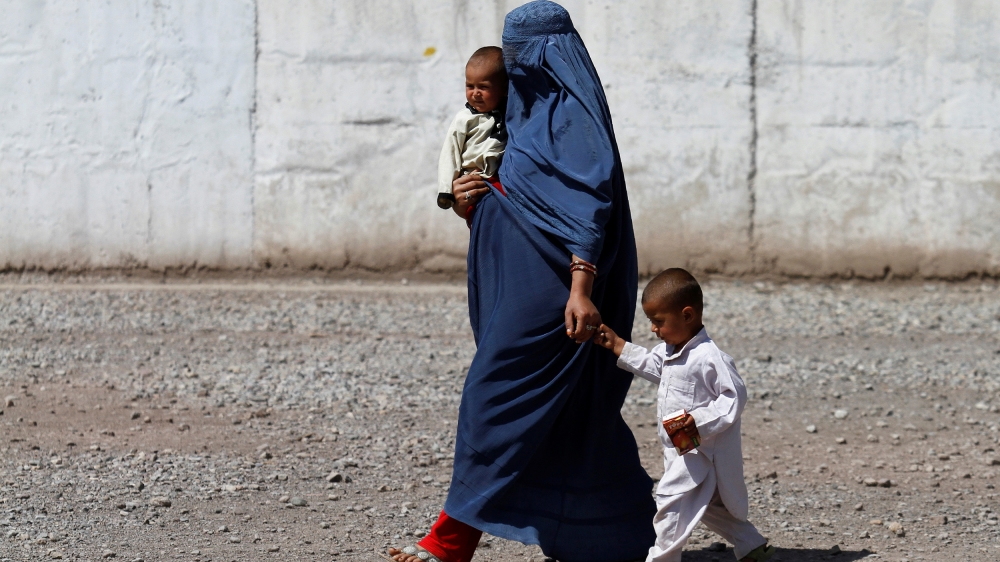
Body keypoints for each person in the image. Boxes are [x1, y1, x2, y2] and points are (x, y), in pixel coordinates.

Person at [389, 2, 655, 562]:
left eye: (520, 54)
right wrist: (467, 203)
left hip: (555, 300)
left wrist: (581, 289)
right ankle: (614, 534)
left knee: (493, 398)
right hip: (519, 290)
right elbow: (516, 200)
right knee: (565, 416)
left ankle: (452, 539)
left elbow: (589, 204)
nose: (513, 65)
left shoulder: (573, 123)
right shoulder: (519, 119)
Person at [592, 269, 776, 562]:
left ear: (687, 315)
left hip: (698, 452)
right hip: (680, 448)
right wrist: (617, 345)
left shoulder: (709, 357)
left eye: (659, 322)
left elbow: (734, 396)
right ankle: (752, 546)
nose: (654, 329)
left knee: (671, 503)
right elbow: (655, 366)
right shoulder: (671, 351)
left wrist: (700, 420)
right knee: (710, 507)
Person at [435, 46, 507, 211]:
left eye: (483, 87)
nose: (475, 93)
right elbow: (450, 153)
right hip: (471, 183)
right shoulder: (463, 119)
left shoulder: (510, 114)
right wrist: (446, 191)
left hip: (498, 180)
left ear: (504, 89)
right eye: (470, 86)